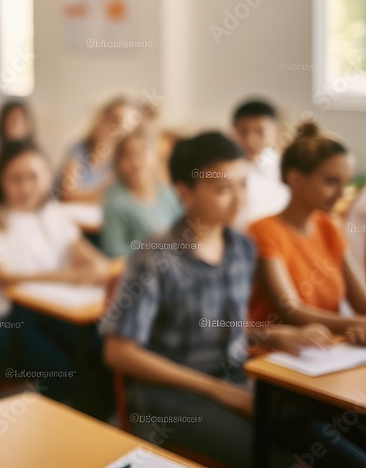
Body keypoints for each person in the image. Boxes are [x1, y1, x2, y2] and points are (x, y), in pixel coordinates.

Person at [101, 132, 355, 468]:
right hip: (170, 399)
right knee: (285, 461)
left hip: (235, 380)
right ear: (184, 192)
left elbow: (219, 324)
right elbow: (119, 352)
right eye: (223, 189)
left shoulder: (240, 248)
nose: (237, 200)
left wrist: (272, 334)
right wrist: (215, 389)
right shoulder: (153, 258)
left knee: (329, 432)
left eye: (242, 185)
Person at [0, 141, 110, 398]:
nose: (25, 187)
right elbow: (4, 277)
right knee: (64, 371)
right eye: (15, 179)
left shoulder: (51, 213)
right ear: (0, 181)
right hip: (1, 320)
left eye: (33, 177)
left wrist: (93, 268)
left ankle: (93, 416)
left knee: (100, 350)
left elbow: (94, 260)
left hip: (52, 311)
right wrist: (69, 277)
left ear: (47, 177)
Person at [248, 122, 366, 341]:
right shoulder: (264, 232)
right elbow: (291, 310)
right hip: (275, 357)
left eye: (345, 183)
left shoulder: (328, 225)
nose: (342, 193)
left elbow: (360, 301)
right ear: (295, 179)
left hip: (327, 351)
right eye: (331, 181)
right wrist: (354, 323)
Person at [100, 129, 181, 258]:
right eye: (128, 155)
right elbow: (115, 253)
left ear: (155, 156)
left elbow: (185, 233)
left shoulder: (168, 193)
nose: (136, 163)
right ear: (119, 162)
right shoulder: (115, 201)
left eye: (142, 153)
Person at [56, 96, 136, 203]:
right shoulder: (78, 149)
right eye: (112, 119)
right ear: (100, 118)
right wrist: (101, 193)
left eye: (123, 124)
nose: (115, 128)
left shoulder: (120, 162)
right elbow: (68, 195)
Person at [231, 98, 290, 231]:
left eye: (260, 132)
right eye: (243, 132)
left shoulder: (286, 167)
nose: (250, 140)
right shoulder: (224, 170)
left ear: (275, 132)